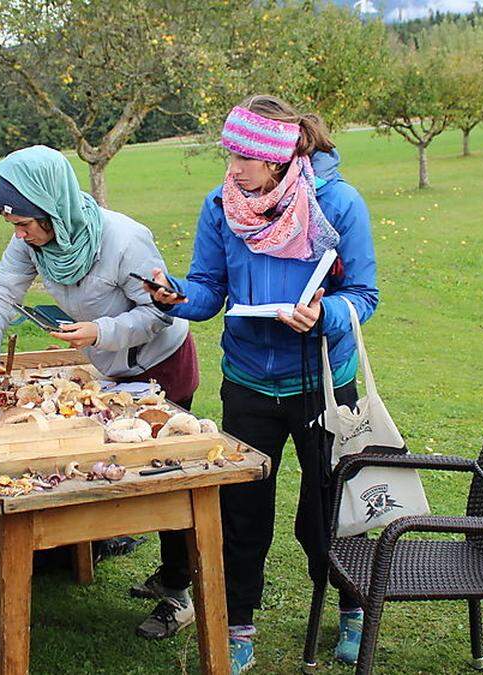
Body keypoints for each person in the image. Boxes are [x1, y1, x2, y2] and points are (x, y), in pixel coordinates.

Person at [146, 95, 378, 672]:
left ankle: (351, 608)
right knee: (243, 512)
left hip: (323, 383)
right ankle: (239, 626)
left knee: (327, 509)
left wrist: (322, 316)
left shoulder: (338, 204)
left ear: (278, 157)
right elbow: (207, 288)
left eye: (245, 156)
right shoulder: (219, 205)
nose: (234, 166)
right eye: (230, 153)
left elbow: (364, 298)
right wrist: (176, 294)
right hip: (248, 382)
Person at [0, 144, 200, 639]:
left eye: (24, 224)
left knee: (171, 477)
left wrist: (99, 331)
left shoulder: (126, 239)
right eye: (14, 226)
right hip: (109, 368)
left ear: (53, 209)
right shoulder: (35, 241)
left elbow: (161, 312)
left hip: (160, 365)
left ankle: (178, 589)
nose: (18, 236)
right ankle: (100, 541)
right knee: (103, 465)